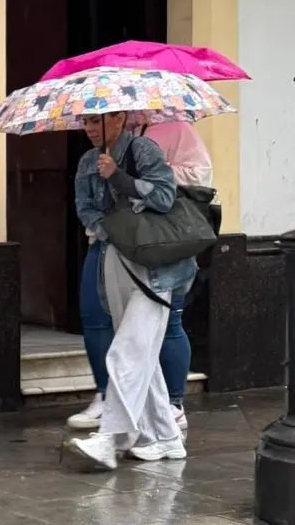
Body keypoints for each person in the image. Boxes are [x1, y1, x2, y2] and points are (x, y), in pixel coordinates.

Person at [68, 112, 196, 469]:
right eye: (85, 122)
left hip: (156, 265)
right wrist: (112, 231)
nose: (90, 129)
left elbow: (165, 196)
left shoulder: (143, 150)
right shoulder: (87, 162)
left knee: (128, 349)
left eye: (96, 120)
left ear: (120, 117)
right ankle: (168, 439)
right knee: (141, 352)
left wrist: (120, 178)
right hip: (115, 258)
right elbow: (86, 209)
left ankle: (109, 437)